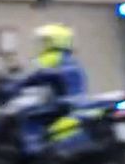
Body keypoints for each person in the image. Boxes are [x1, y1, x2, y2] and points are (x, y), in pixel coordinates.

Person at [8, 24, 88, 154]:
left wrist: (16, 82)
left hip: (58, 101)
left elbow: (32, 75)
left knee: (27, 115)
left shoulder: (49, 58)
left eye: (45, 41)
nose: (42, 44)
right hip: (75, 100)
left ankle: (32, 148)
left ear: (54, 41)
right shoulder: (71, 60)